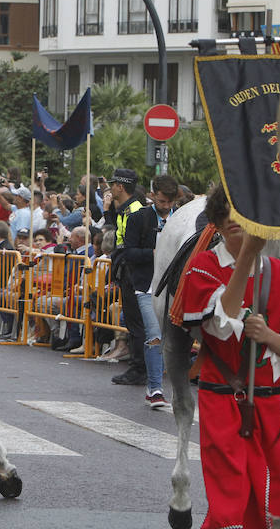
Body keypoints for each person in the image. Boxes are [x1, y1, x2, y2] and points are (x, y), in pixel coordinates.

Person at [181, 185, 280, 529]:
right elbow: (219, 324)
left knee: (271, 502)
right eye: (224, 212)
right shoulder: (202, 266)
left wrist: (272, 337)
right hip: (222, 399)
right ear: (215, 221)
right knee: (229, 498)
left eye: (241, 211)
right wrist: (247, 256)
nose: (233, 218)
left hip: (271, 403)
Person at [122, 174, 178, 408]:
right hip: (147, 286)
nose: (166, 207)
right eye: (162, 201)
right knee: (154, 334)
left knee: (175, 339)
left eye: (170, 202)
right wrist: (155, 254)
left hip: (176, 286)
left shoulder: (181, 220)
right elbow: (129, 253)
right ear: (153, 196)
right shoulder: (138, 218)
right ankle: (155, 388)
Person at [106, 168, 148, 386]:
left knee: (136, 322)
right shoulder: (127, 209)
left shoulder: (135, 211)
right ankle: (138, 366)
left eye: (113, 184)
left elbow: (129, 245)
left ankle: (139, 368)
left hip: (134, 272)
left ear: (120, 187)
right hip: (127, 270)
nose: (111, 188)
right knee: (134, 322)